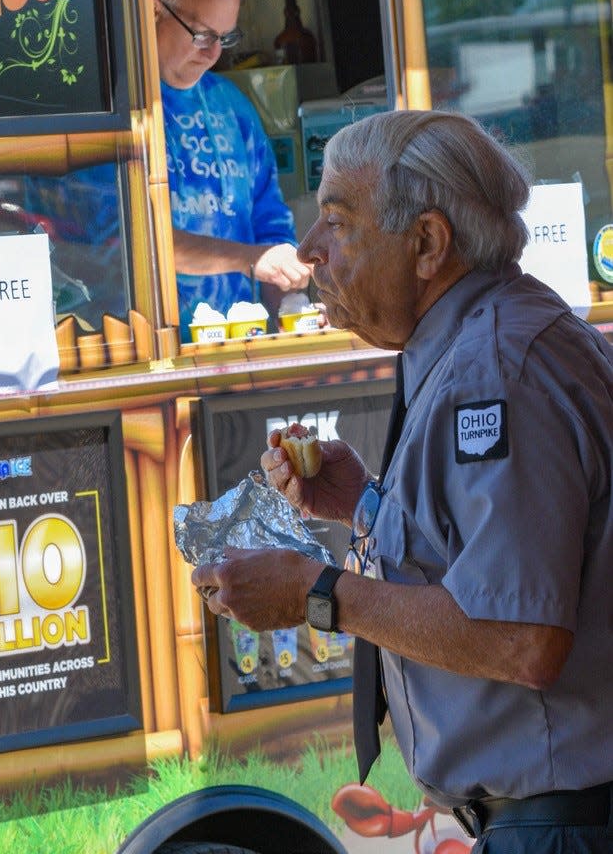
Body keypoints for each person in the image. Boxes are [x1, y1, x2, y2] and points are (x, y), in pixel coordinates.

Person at [192, 109, 613, 852]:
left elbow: (522, 637)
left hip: (563, 823)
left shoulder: (494, 369)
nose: (310, 250)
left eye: (337, 223)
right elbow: (497, 552)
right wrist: (361, 502)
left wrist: (315, 594)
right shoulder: (482, 340)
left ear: (426, 243)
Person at [152, 0, 311, 338]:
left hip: (239, 345)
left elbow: (270, 223)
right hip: (153, 351)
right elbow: (136, 243)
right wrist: (252, 258)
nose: (213, 53)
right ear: (153, 12)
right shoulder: (122, 115)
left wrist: (292, 308)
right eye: (203, 34)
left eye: (225, 38)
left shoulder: (234, 107)